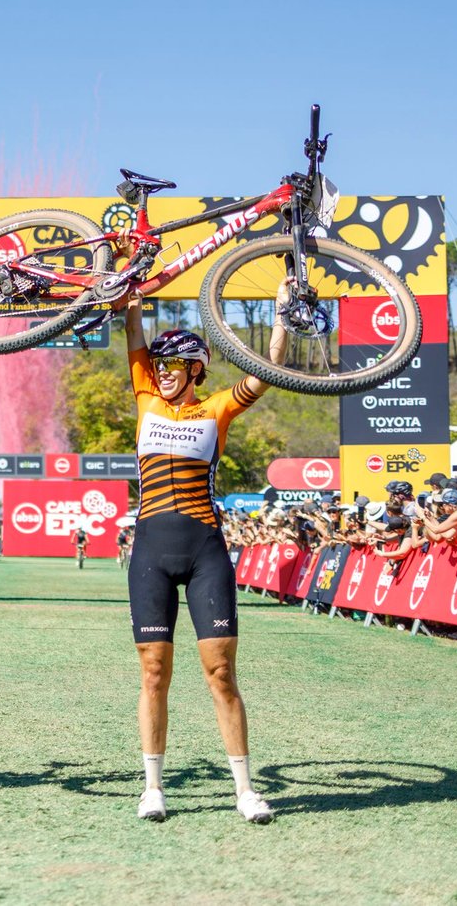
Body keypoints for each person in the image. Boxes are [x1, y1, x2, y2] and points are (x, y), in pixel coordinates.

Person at [122, 288, 285, 825]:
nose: (163, 370)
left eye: (174, 364)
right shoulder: (146, 397)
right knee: (153, 671)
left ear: (196, 369)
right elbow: (134, 335)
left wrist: (282, 313)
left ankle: (244, 790)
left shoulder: (216, 409)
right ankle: (152, 788)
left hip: (204, 549)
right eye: (160, 363)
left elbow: (267, 370)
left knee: (220, 673)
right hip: (150, 546)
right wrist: (132, 297)